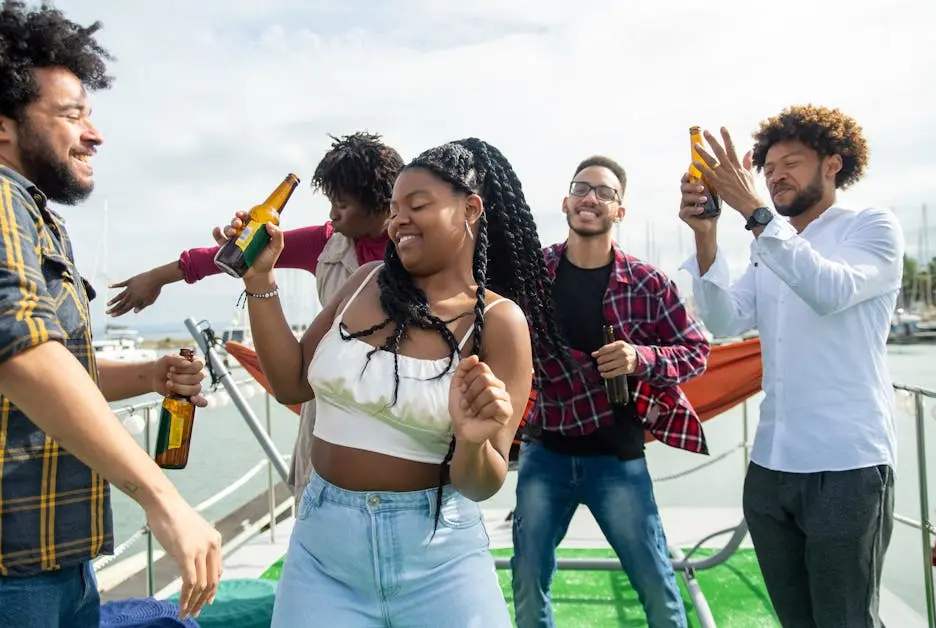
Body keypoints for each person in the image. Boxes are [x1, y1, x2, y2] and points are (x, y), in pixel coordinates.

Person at [240, 137, 569, 626]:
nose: (398, 221)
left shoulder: (500, 322)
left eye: (418, 205)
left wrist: (475, 444)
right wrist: (258, 280)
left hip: (439, 559)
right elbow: (290, 384)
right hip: (322, 551)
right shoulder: (363, 282)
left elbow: (480, 485)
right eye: (394, 209)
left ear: (471, 209)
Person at [0, 2, 222, 625]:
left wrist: (147, 376)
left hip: (54, 560)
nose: (94, 134)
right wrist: (162, 498)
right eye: (73, 115)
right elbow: (24, 355)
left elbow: (56, 366)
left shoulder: (34, 215)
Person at [678, 106, 900, 627]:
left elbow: (829, 290)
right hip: (772, 468)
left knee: (846, 620)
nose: (776, 175)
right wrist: (706, 235)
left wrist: (754, 212)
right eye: (769, 167)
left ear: (833, 165)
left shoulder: (872, 228)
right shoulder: (770, 246)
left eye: (792, 163)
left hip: (847, 466)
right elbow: (724, 319)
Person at [108, 132, 403, 503]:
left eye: (341, 205)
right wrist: (156, 278)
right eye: (330, 203)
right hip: (332, 416)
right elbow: (231, 255)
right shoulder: (324, 243)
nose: (332, 215)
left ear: (380, 203)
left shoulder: (421, 246)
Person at [510, 156, 710, 628]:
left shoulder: (648, 283)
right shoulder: (532, 276)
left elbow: (697, 353)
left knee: (656, 584)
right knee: (526, 580)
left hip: (618, 458)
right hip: (545, 452)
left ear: (620, 211)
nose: (591, 198)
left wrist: (640, 358)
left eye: (605, 193)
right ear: (565, 201)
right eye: (582, 188)